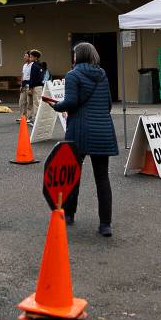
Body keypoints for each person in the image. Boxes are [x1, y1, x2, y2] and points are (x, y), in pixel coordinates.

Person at [45, 42, 118, 237]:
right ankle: (105, 224)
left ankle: (69, 214)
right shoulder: (102, 74)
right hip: (102, 130)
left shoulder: (73, 75)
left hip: (79, 131)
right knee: (102, 178)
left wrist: (57, 106)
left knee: (72, 173)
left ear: (78, 56)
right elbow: (109, 104)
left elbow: (71, 102)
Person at [27, 49, 45, 123]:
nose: (30, 58)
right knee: (38, 102)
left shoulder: (34, 65)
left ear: (35, 58)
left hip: (35, 86)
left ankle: (37, 119)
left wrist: (30, 88)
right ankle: (37, 118)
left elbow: (33, 78)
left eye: (31, 57)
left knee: (36, 103)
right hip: (40, 86)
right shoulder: (40, 65)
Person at [18, 52, 32, 122]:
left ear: (30, 57)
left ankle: (29, 117)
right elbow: (23, 76)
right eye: (24, 56)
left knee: (29, 102)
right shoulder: (24, 65)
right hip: (24, 84)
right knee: (21, 101)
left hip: (29, 85)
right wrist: (21, 85)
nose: (24, 57)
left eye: (26, 56)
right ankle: (23, 116)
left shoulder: (32, 65)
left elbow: (33, 76)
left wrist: (31, 87)